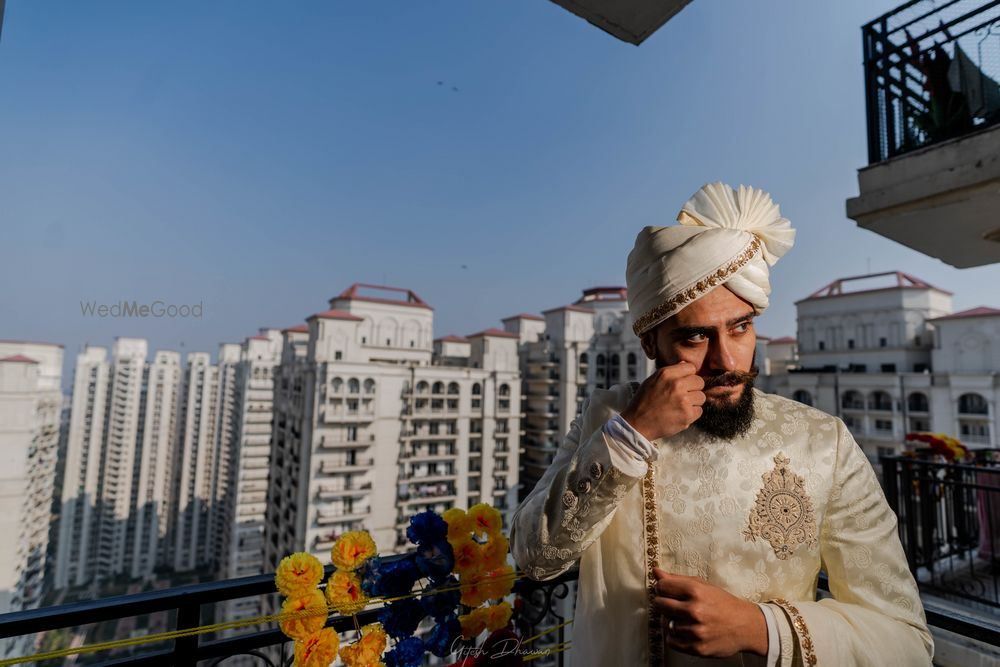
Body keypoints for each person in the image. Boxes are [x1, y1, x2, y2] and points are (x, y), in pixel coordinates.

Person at [509, 183, 933, 666]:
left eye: (740, 327)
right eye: (694, 336)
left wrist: (761, 628)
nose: (726, 359)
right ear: (651, 343)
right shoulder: (610, 418)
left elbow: (904, 640)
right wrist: (631, 436)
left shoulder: (823, 441)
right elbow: (533, 558)